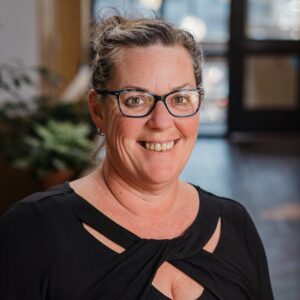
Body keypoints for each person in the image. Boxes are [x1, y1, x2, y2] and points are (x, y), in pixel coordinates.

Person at [0, 15, 274, 300]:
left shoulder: (233, 223)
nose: (161, 122)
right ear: (98, 110)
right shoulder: (33, 230)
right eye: (135, 99)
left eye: (180, 98)